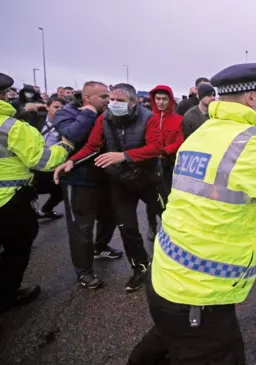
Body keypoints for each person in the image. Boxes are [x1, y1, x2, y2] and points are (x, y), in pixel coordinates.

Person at [127, 62, 256, 365]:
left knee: (164, 340)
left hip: (167, 274)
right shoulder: (255, 145)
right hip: (201, 298)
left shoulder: (202, 134)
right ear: (252, 98)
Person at [54, 83, 165, 292]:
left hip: (148, 179)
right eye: (111, 99)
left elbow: (156, 147)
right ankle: (139, 268)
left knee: (169, 218)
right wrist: (72, 162)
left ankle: (179, 263)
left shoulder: (148, 118)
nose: (113, 104)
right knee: (127, 227)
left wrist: (124, 155)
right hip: (120, 181)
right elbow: (92, 146)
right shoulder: (103, 118)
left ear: (133, 102)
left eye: (120, 101)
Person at [0, 73, 74, 313]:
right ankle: (7, 294)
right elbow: (42, 160)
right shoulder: (12, 127)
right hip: (9, 201)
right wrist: (65, 147)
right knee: (18, 247)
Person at [53, 81, 120, 289]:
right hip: (78, 180)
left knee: (109, 217)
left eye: (108, 97)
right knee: (81, 228)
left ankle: (100, 247)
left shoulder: (107, 113)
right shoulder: (65, 114)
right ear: (87, 97)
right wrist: (89, 113)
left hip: (103, 178)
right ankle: (84, 272)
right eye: (103, 97)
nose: (108, 101)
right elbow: (74, 135)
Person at [145, 85, 184, 241]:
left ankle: (166, 224)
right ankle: (151, 226)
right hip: (149, 163)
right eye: (158, 99)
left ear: (170, 100)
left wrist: (164, 151)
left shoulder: (178, 120)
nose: (161, 102)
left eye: (164, 99)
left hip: (168, 163)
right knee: (150, 197)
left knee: (168, 196)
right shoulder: (147, 117)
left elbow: (180, 141)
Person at [33, 97, 67, 219]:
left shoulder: (66, 123)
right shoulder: (36, 118)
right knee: (30, 191)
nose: (59, 110)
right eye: (56, 107)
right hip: (32, 162)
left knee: (59, 192)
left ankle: (44, 211)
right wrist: (34, 106)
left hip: (52, 163)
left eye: (62, 108)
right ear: (47, 107)